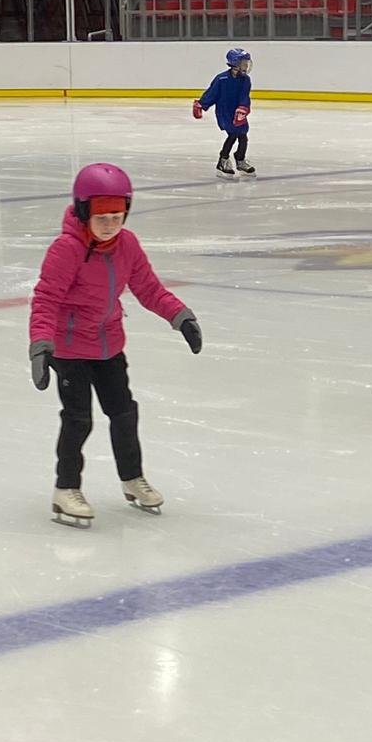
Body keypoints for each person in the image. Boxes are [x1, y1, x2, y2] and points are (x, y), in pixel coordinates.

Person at [28, 163, 202, 526]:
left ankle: (132, 478)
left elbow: (149, 288)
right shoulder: (66, 249)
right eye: (101, 217)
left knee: (124, 413)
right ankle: (66, 489)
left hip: (108, 345)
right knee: (78, 420)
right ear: (83, 212)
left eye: (117, 217)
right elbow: (46, 299)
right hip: (70, 349)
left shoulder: (127, 245)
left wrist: (180, 316)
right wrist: (41, 345)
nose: (110, 225)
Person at [194, 47, 255, 176]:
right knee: (232, 135)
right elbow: (212, 94)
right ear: (235, 63)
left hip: (238, 112)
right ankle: (223, 160)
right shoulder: (221, 79)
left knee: (243, 136)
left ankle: (240, 159)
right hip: (225, 113)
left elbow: (244, 96)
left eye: (247, 63)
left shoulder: (245, 80)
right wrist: (201, 104)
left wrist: (243, 108)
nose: (246, 65)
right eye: (244, 63)